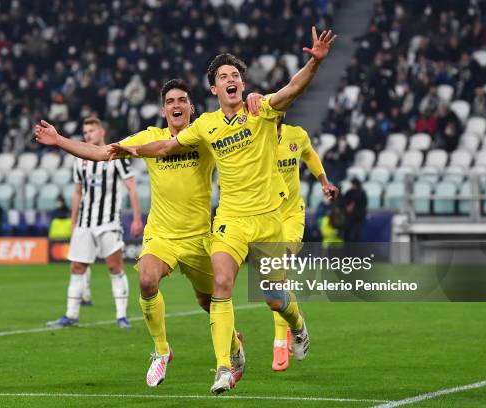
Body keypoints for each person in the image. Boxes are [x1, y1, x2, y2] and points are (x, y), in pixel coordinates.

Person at [109, 27, 337, 394]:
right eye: (222, 77)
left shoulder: (261, 110)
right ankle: (224, 368)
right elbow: (167, 145)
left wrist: (315, 62)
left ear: (242, 84)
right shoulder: (206, 126)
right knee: (222, 284)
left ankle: (296, 323)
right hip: (230, 220)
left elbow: (293, 89)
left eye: (235, 75)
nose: (230, 80)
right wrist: (133, 150)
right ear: (214, 90)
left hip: (268, 219)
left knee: (274, 297)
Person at [35, 79, 260, 388]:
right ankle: (161, 350)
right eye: (170, 101)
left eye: (182, 100)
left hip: (198, 238)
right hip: (161, 236)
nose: (177, 105)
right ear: (163, 109)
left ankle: (234, 345)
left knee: (209, 303)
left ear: (191, 108)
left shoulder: (205, 133)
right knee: (146, 278)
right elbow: (102, 153)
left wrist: (254, 100)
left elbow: (238, 124)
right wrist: (59, 140)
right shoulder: (149, 137)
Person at [45, 117, 144, 330]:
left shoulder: (116, 156)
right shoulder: (79, 160)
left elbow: (132, 188)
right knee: (77, 266)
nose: (87, 134)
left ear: (102, 133)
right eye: (85, 131)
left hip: (108, 221)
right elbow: (77, 192)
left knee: (115, 266)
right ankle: (71, 315)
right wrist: (73, 222)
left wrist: (137, 219)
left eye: (91, 130)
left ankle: (121, 316)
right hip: (84, 222)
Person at [271, 115, 338, 371]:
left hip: (291, 216)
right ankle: (294, 322)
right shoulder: (254, 137)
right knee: (272, 281)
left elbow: (309, 154)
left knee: (277, 274)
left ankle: (279, 343)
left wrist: (324, 182)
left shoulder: (296, 135)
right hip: (265, 217)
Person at [343, 178, 368, 242]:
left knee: (357, 235)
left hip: (358, 219)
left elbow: (363, 206)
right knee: (347, 235)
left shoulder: (361, 193)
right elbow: (344, 203)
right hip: (350, 218)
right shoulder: (349, 192)